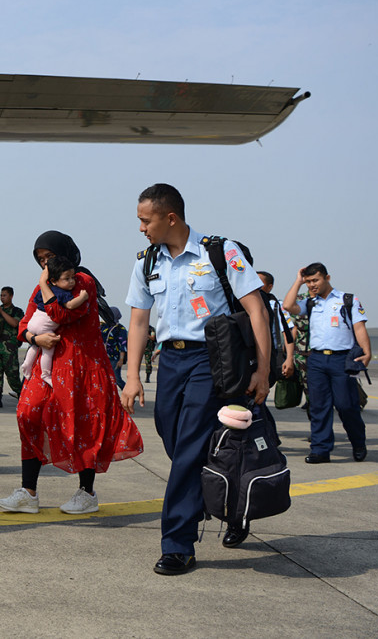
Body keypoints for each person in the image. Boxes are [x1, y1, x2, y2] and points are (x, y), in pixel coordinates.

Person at [121, 183, 270, 575]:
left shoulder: (220, 252)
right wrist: (132, 376)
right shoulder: (147, 262)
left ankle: (178, 543)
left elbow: (257, 311)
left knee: (188, 449)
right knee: (172, 436)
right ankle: (227, 498)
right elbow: (139, 321)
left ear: (170, 217)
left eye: (145, 220)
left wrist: (263, 370)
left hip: (212, 360)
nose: (141, 227)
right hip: (170, 361)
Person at [0, 231, 143, 520]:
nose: (44, 264)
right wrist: (33, 338)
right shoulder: (44, 286)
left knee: (83, 425)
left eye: (49, 257)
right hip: (47, 365)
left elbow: (63, 315)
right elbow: (24, 323)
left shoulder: (82, 281)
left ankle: (86, 492)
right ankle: (28, 492)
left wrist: (43, 286)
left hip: (81, 366)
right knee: (28, 414)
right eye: (40, 260)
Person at [282, 263, 371, 463]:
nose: (311, 285)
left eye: (315, 280)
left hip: (341, 359)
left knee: (346, 405)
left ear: (327, 278)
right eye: (308, 282)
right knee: (318, 406)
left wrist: (366, 352)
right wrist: (298, 280)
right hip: (316, 359)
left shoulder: (347, 300)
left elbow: (359, 327)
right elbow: (288, 306)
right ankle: (320, 450)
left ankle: (358, 443)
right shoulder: (311, 303)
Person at [20, 256, 89, 384]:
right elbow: (69, 306)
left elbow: (35, 301)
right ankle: (46, 374)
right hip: (45, 326)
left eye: (72, 278)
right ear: (54, 280)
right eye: (67, 278)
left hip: (33, 322)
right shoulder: (63, 293)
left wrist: (43, 285)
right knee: (48, 350)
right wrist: (83, 297)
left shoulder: (43, 288)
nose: (72, 281)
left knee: (35, 346)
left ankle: (26, 364)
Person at [257, 271, 297, 381]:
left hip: (269, 355)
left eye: (259, 282)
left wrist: (289, 358)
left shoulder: (275, 305)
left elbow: (287, 333)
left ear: (270, 287)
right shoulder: (243, 302)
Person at [99, 306, 129, 388]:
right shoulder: (103, 326)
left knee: (117, 379)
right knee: (104, 379)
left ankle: (130, 397)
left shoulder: (120, 329)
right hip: (103, 358)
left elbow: (123, 345)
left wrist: (121, 359)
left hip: (115, 358)